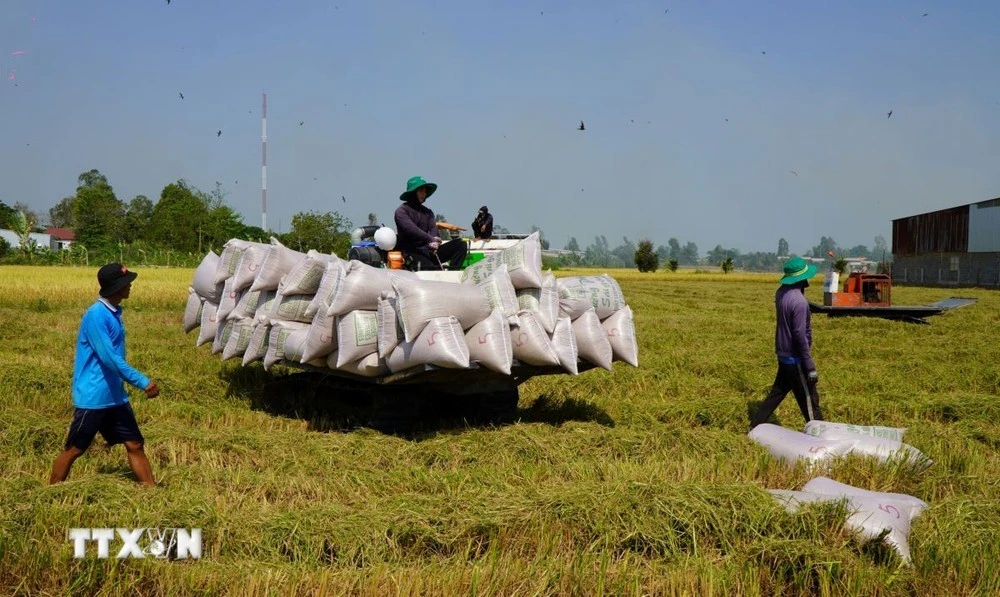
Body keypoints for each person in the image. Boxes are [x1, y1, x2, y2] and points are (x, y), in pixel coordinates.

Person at [50, 263, 161, 487]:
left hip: (115, 397)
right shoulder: (97, 316)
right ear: (115, 287)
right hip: (94, 398)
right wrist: (142, 381)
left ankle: (152, 492)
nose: (130, 286)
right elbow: (109, 358)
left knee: (135, 444)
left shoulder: (114, 312)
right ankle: (50, 492)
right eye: (126, 283)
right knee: (74, 449)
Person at [749, 256, 823, 430]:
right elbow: (799, 334)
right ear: (802, 278)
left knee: (777, 393)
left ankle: (755, 426)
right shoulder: (799, 302)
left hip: (783, 354)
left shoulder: (781, 293)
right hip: (795, 358)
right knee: (809, 400)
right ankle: (820, 433)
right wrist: (809, 364)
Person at [394, 175, 468, 270]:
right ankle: (436, 269)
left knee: (461, 244)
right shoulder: (401, 211)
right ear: (413, 192)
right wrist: (430, 239)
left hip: (429, 251)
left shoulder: (428, 212)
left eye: (425, 191)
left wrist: (435, 239)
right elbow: (411, 229)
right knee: (434, 270)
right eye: (421, 190)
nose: (424, 193)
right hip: (412, 252)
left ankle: (453, 273)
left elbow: (433, 229)